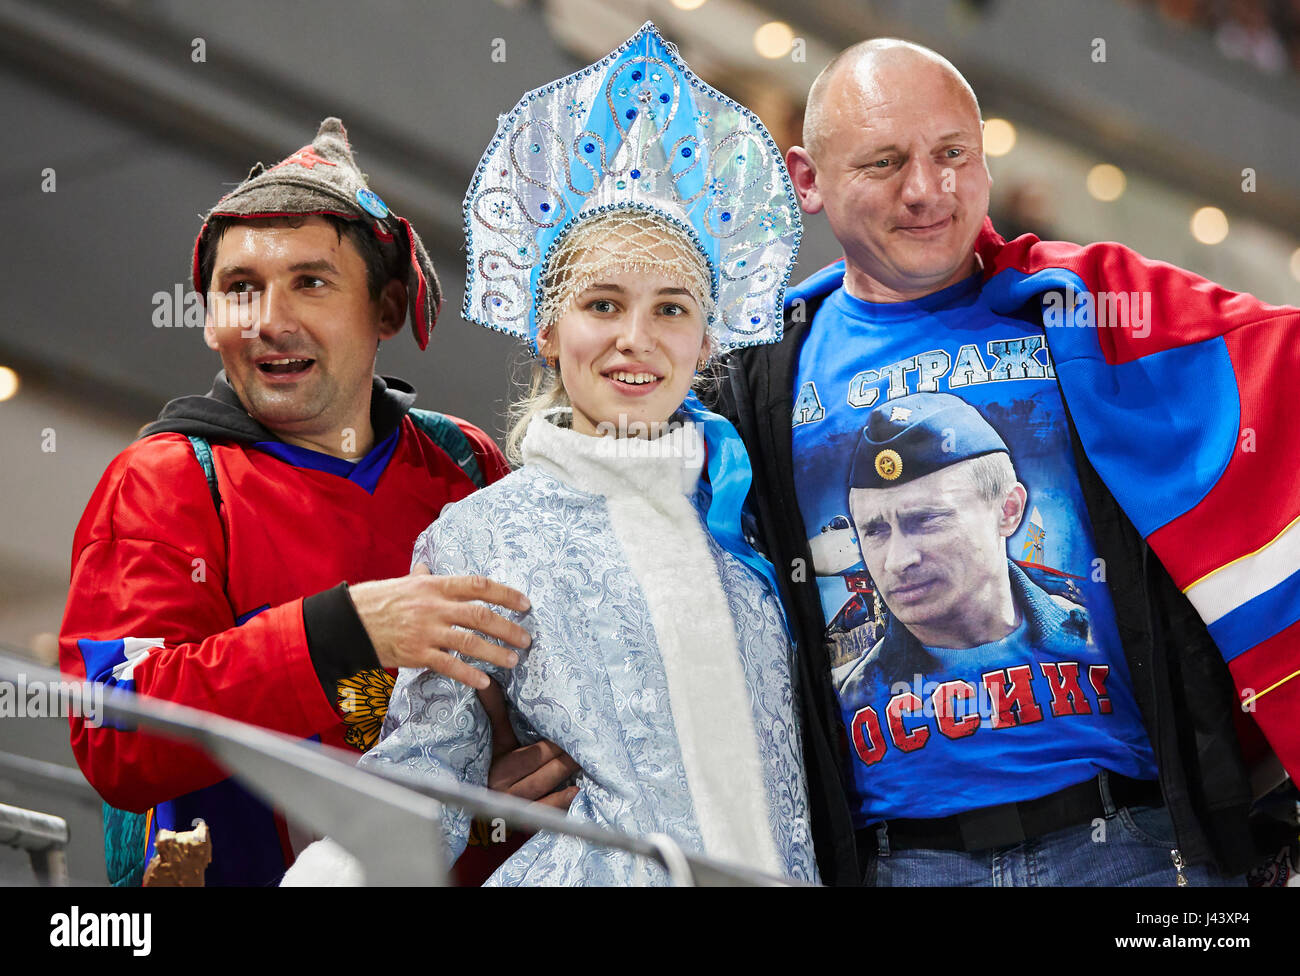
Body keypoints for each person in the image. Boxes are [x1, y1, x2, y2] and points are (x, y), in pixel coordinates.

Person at [716, 38, 1300, 886]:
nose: (927, 190)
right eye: (884, 162)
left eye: (953, 154)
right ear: (807, 179)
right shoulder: (755, 383)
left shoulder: (1092, 311)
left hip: (1133, 848)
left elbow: (1274, 369)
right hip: (898, 866)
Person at [290, 23, 816, 886]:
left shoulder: (756, 514)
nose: (635, 341)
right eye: (602, 304)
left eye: (672, 310)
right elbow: (427, 772)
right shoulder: (481, 539)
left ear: (709, 336)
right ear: (549, 329)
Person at [58, 118, 569, 886]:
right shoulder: (164, 478)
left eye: (310, 282)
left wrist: (487, 817)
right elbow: (116, 734)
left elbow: (538, 718)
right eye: (240, 289)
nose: (269, 320)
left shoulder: (464, 464)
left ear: (387, 310)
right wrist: (346, 634)